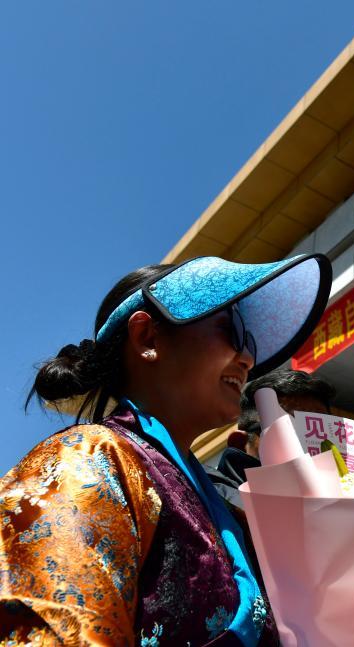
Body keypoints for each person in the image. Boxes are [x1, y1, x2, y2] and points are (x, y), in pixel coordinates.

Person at [0, 254, 331, 645]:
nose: (247, 358)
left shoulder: (232, 516)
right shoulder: (86, 458)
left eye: (250, 342)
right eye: (231, 329)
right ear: (148, 338)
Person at [208, 369, 336, 513]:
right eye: (290, 432)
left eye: (322, 437)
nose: (308, 450)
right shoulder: (202, 501)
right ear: (240, 443)